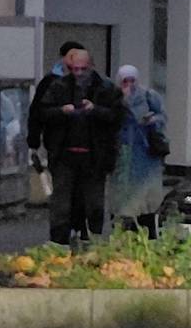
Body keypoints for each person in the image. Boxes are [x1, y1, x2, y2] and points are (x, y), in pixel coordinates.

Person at [31, 44, 125, 243]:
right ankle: (59, 241)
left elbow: (117, 118)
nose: (79, 74)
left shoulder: (107, 89)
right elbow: (42, 112)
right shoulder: (58, 86)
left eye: (83, 69)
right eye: (75, 69)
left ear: (91, 66)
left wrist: (96, 110)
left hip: (95, 155)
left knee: (94, 202)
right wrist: (60, 112)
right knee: (61, 202)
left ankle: (93, 237)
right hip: (64, 154)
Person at [108, 64, 170, 229]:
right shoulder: (112, 98)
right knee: (121, 193)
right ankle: (122, 224)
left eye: (132, 80)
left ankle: (147, 225)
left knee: (147, 192)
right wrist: (123, 102)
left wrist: (152, 120)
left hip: (145, 153)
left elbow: (162, 117)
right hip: (122, 153)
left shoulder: (149, 96)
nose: (129, 84)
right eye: (124, 81)